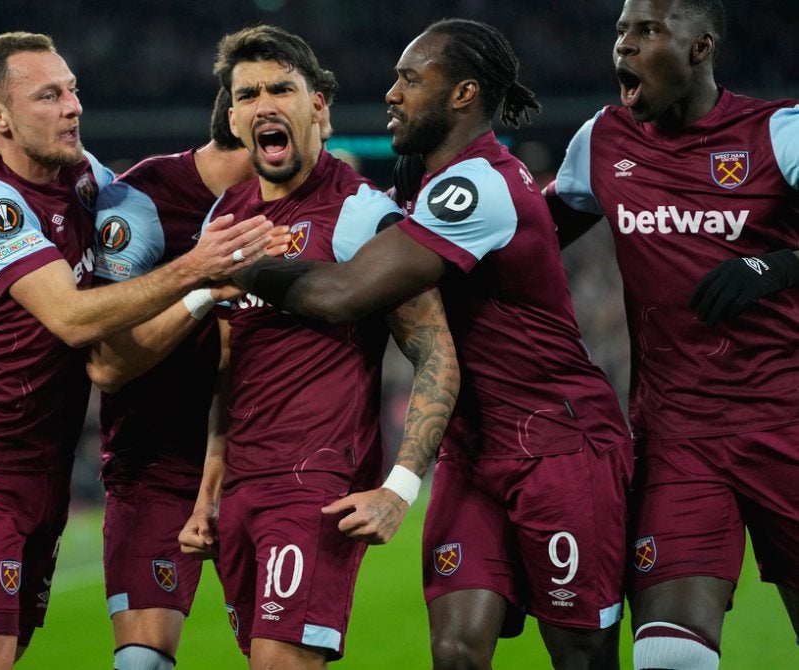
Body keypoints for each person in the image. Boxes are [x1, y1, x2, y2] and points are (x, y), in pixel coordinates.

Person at [237, 18, 633, 669]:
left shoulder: (479, 185)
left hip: (559, 447)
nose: (391, 93)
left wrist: (234, 264)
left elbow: (344, 293)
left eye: (410, 79)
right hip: (472, 454)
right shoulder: (428, 189)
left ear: (462, 95)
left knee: (583, 658)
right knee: (454, 652)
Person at [0, 31, 285, 670]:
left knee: (9, 647)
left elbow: (167, 195)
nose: (73, 106)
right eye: (49, 95)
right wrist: (197, 269)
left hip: (45, 459)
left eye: (73, 89)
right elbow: (75, 320)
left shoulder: (85, 180)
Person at [177, 24, 460, 669]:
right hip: (243, 488)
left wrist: (400, 488)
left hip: (316, 483)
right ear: (234, 115)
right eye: (246, 94)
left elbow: (436, 353)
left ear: (318, 106)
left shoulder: (363, 214)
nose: (264, 104)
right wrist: (209, 493)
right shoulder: (224, 219)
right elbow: (230, 365)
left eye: (282, 87)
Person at [544, 1, 799, 667]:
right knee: (668, 656)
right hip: (677, 439)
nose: (623, 47)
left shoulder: (779, 133)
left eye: (647, 31)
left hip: (788, 424)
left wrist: (778, 264)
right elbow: (521, 238)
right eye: (621, 31)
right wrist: (433, 201)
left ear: (700, 47)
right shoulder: (601, 141)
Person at [81, 89, 258, 670]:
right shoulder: (142, 199)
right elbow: (108, 365)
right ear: (239, 117)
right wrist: (202, 289)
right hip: (156, 460)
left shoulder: (303, 202)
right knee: (142, 662)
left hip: (270, 459)